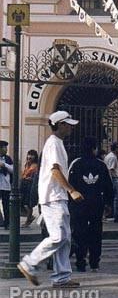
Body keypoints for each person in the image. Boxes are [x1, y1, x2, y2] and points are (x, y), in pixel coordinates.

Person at [18, 111, 83, 288]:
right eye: (68, 124)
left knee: (65, 238)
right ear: (60, 124)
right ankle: (29, 263)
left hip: (56, 196)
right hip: (53, 196)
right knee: (58, 236)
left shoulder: (56, 143)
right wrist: (71, 190)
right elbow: (55, 171)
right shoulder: (54, 144)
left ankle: (62, 277)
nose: (70, 127)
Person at [68, 137, 113, 272]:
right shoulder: (101, 164)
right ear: (94, 148)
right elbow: (108, 186)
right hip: (96, 204)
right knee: (95, 233)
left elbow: (69, 183)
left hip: (79, 204)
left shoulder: (75, 164)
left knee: (79, 232)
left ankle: (80, 260)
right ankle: (94, 261)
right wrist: (108, 203)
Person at [104, 142, 118, 223]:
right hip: (114, 178)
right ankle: (117, 215)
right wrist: (115, 179)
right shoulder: (112, 157)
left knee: (116, 197)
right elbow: (111, 169)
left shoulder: (108, 156)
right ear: (116, 148)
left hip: (110, 178)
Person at [21, 150, 39, 228]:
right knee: (25, 203)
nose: (30, 157)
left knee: (28, 204)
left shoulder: (35, 166)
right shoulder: (27, 165)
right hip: (25, 185)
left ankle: (29, 219)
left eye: (32, 155)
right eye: (29, 155)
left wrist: (28, 178)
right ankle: (29, 218)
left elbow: (33, 177)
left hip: (30, 186)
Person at [0, 140, 14, 230]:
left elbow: (13, 170)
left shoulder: (8, 159)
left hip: (5, 185)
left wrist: (4, 165)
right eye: (4, 148)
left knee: (6, 205)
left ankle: (7, 223)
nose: (6, 149)